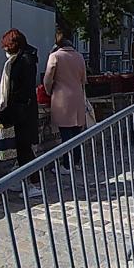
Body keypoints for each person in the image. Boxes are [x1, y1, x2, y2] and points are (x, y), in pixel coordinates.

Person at [0, 29, 41, 197]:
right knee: (22, 148)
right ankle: (24, 180)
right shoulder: (23, 59)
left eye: (6, 46)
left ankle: (33, 183)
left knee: (25, 149)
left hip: (22, 110)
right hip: (22, 109)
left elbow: (20, 88)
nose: (4, 50)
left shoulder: (24, 61)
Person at [44, 28, 87, 174]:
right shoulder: (80, 57)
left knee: (65, 133)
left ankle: (66, 164)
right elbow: (84, 79)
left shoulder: (55, 56)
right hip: (77, 97)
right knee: (76, 132)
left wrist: (49, 91)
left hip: (62, 97)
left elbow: (48, 79)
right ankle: (76, 161)